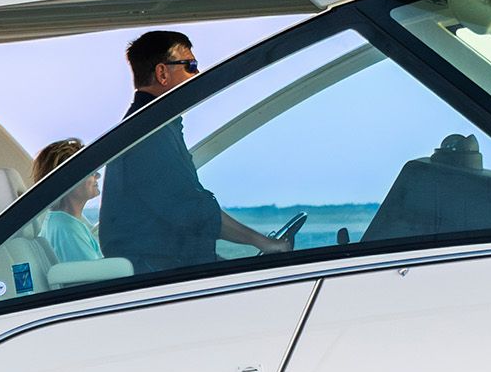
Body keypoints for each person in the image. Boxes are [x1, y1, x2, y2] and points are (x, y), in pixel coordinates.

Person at [98, 29, 302, 275]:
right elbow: (192, 211)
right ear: (162, 73)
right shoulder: (148, 136)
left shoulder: (153, 128)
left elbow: (180, 222)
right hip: (157, 279)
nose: (198, 74)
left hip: (165, 269)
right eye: (191, 65)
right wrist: (265, 243)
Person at [29, 138, 105, 266]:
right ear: (69, 180)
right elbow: (96, 277)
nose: (97, 176)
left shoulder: (62, 221)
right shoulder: (66, 228)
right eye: (91, 171)